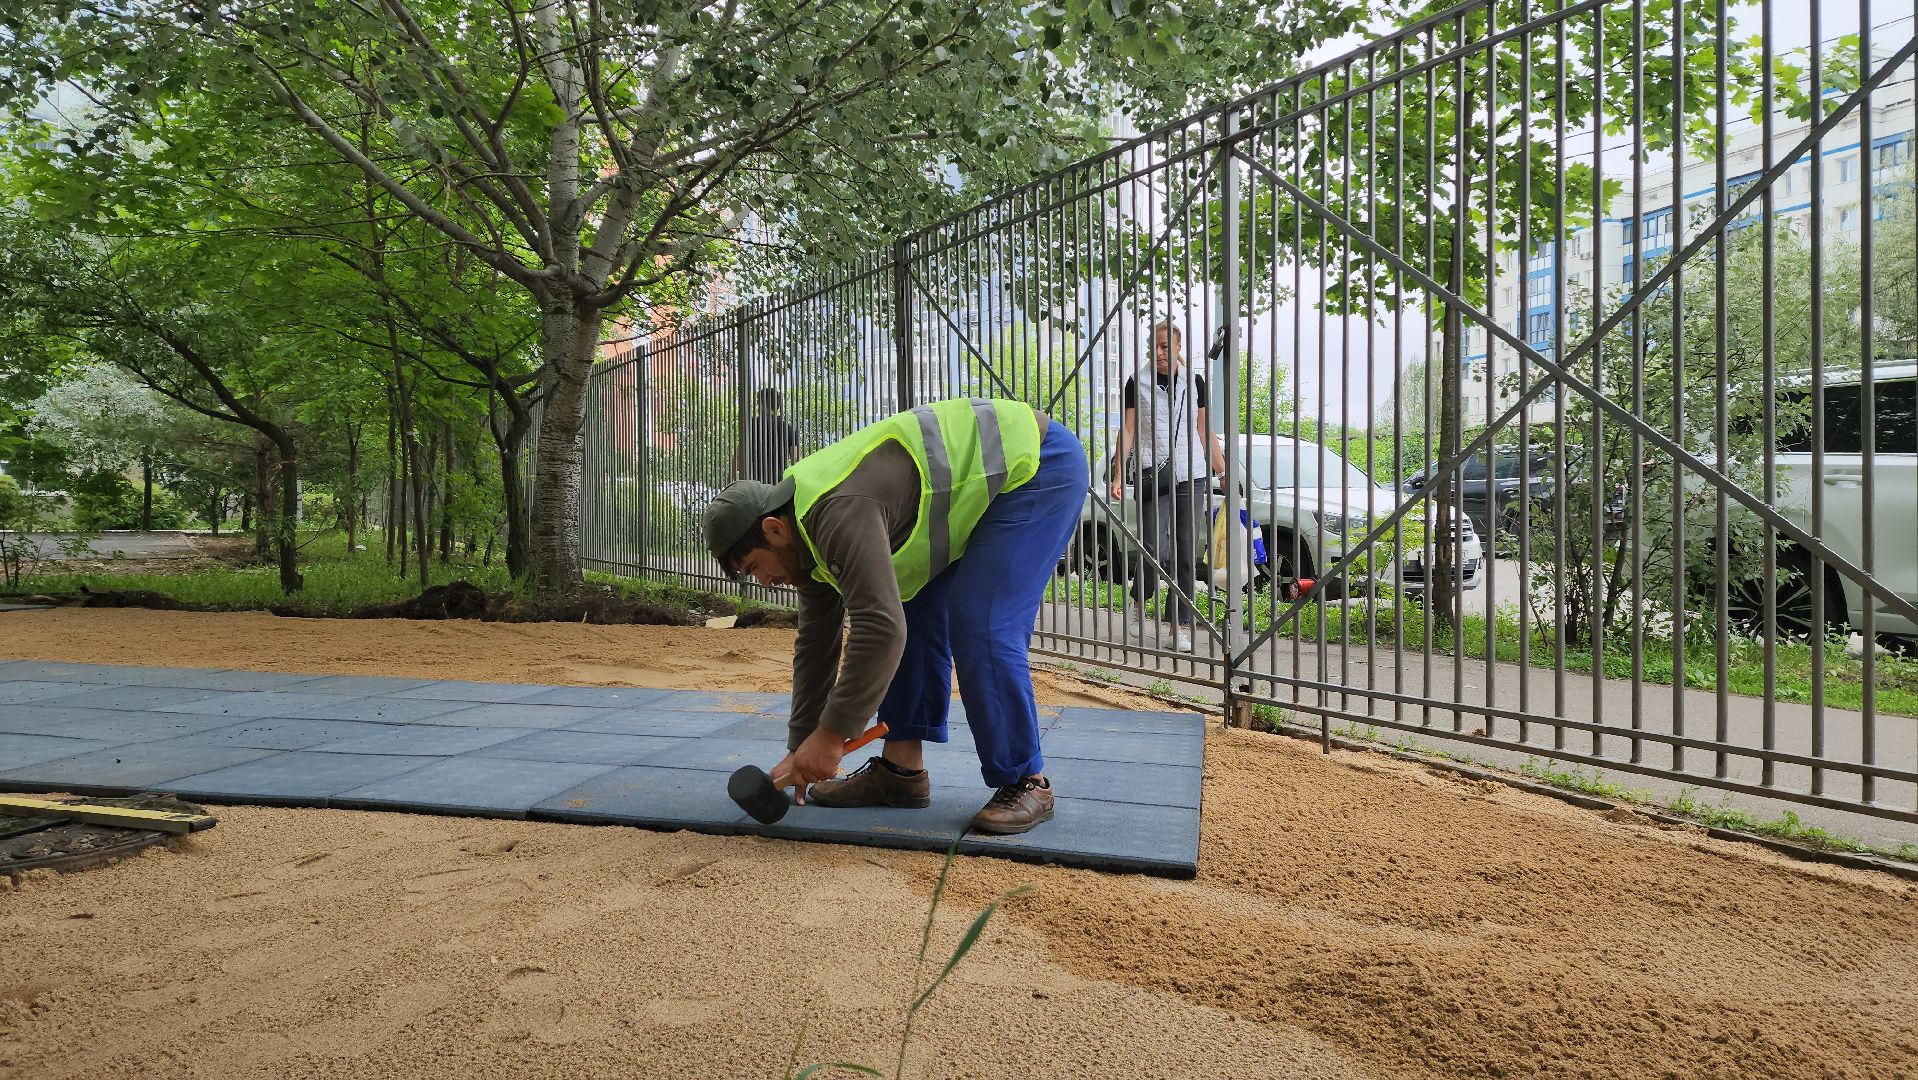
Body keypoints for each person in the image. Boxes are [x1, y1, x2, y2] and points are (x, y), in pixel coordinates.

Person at [703, 397, 1087, 834]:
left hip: (1034, 466)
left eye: (755, 568)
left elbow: (878, 630)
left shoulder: (836, 511)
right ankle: (900, 772)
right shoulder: (803, 538)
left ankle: (1027, 779)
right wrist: (801, 745)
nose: (766, 583)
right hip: (973, 495)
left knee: (980, 621)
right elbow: (816, 643)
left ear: (774, 530)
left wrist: (831, 738)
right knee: (910, 605)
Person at [1109, 321, 1227, 653]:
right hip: (1152, 471)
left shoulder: (1195, 383)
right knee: (1153, 549)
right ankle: (1139, 601)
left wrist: (1222, 471)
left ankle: (1182, 624)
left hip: (1192, 473)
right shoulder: (1139, 382)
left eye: (1165, 346)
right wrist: (1120, 473)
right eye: (1156, 346)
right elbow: (1128, 431)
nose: (1160, 352)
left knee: (1186, 552)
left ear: (1178, 348)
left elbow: (1205, 430)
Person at [730, 387, 802, 484]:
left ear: (762, 404)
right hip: (777, 487)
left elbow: (739, 456)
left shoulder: (751, 426)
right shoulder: (789, 429)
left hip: (753, 486)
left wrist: (729, 481)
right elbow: (796, 460)